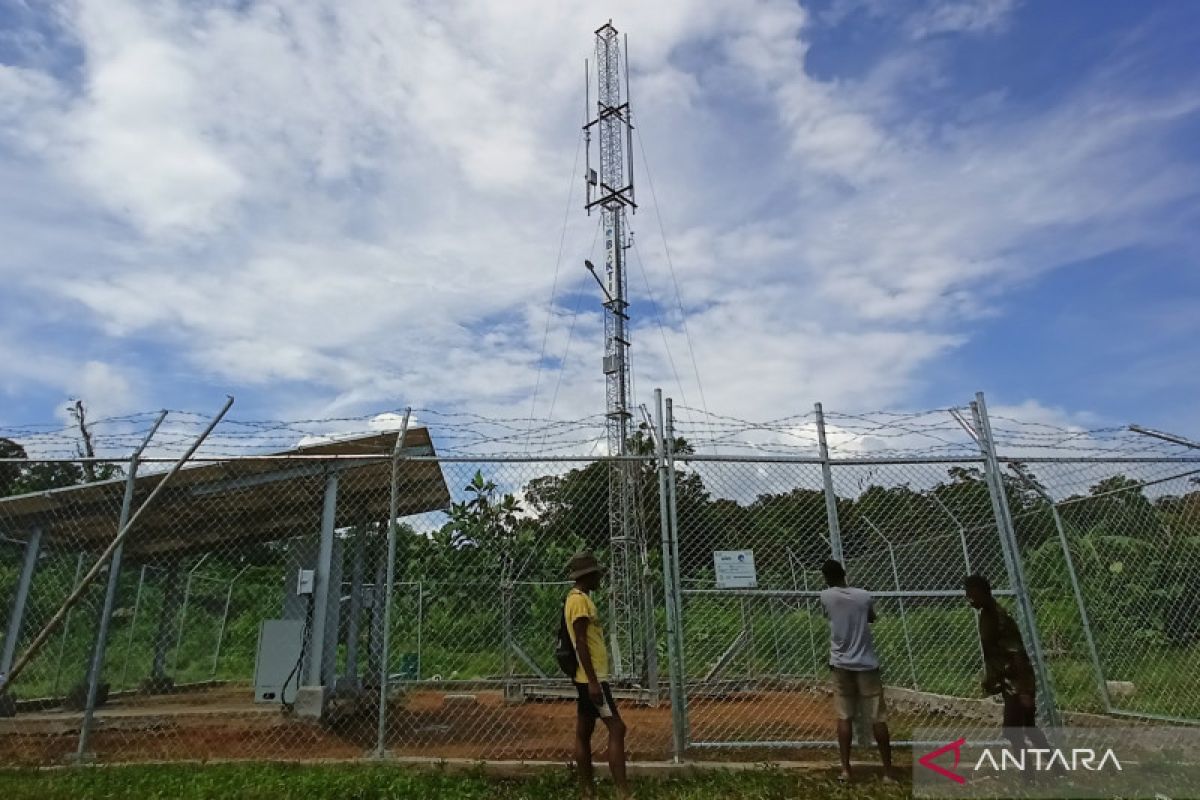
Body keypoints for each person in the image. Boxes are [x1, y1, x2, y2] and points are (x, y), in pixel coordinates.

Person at [819, 559, 895, 784]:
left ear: (826, 578)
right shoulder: (864, 595)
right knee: (877, 718)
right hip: (866, 663)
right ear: (844, 573)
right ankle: (888, 772)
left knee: (844, 716)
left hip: (841, 663)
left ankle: (845, 769)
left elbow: (829, 615)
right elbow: (872, 617)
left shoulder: (826, 596)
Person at [564, 552, 633, 800]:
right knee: (617, 728)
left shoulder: (575, 599)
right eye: (598, 574)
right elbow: (581, 642)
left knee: (584, 731)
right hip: (592, 680)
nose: (600, 577)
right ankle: (622, 791)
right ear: (588, 575)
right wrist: (594, 682)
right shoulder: (580, 602)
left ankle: (587, 790)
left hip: (586, 679)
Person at [964, 574, 1055, 758]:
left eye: (971, 594)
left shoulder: (998, 617)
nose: (968, 598)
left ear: (981, 592)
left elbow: (1017, 655)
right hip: (1009, 680)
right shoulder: (987, 614)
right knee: (1027, 728)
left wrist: (1023, 691)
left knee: (1015, 731)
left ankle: (1029, 776)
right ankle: (1056, 769)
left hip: (1017, 680)